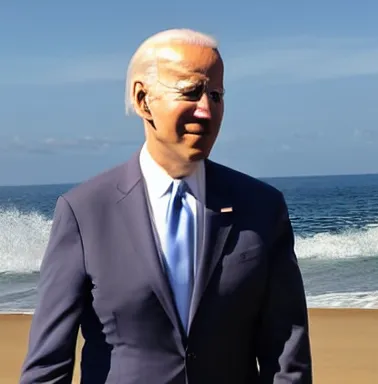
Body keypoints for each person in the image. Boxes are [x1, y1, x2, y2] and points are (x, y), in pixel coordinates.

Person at [20, 28, 313, 384]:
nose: (206, 110)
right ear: (144, 100)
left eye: (216, 95)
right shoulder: (84, 212)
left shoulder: (262, 208)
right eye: (191, 92)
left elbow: (287, 359)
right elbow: (47, 367)